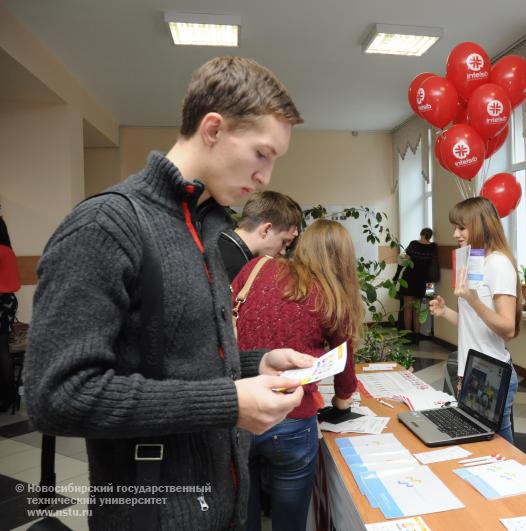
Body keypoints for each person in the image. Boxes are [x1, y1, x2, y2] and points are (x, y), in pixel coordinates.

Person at [23, 56, 315, 530]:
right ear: (214, 129)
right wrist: (230, 403)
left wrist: (253, 365)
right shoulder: (104, 226)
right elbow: (55, 395)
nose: (266, 177)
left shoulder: (204, 228)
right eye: (262, 154)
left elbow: (172, 357)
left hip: (222, 507)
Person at [232, 219, 362, 531]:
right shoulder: (332, 294)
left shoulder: (256, 268)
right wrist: (342, 402)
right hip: (293, 416)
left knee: (240, 515)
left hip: (241, 409)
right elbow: (343, 362)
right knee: (290, 522)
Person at [429, 197, 522, 443]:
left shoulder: (498, 264)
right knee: (481, 443)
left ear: (480, 225)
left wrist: (473, 300)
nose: (455, 233)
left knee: (499, 446)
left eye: (461, 227)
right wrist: (445, 311)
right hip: (472, 371)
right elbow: (474, 324)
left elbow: (507, 328)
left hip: (492, 374)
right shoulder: (475, 261)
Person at [219, 190, 303, 282]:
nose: (283, 252)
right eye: (283, 241)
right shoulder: (238, 269)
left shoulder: (213, 243)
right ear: (266, 230)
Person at [397, 227, 439, 339]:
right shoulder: (432, 247)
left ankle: (407, 335)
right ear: (430, 236)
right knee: (418, 309)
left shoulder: (414, 244)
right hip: (422, 280)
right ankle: (417, 335)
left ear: (421, 234)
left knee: (407, 308)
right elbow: (432, 266)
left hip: (409, 278)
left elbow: (406, 260)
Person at [0, 207, 21, 413]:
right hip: (7, 301)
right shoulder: (8, 250)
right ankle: (10, 394)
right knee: (3, 349)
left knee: (1, 351)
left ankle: (7, 396)